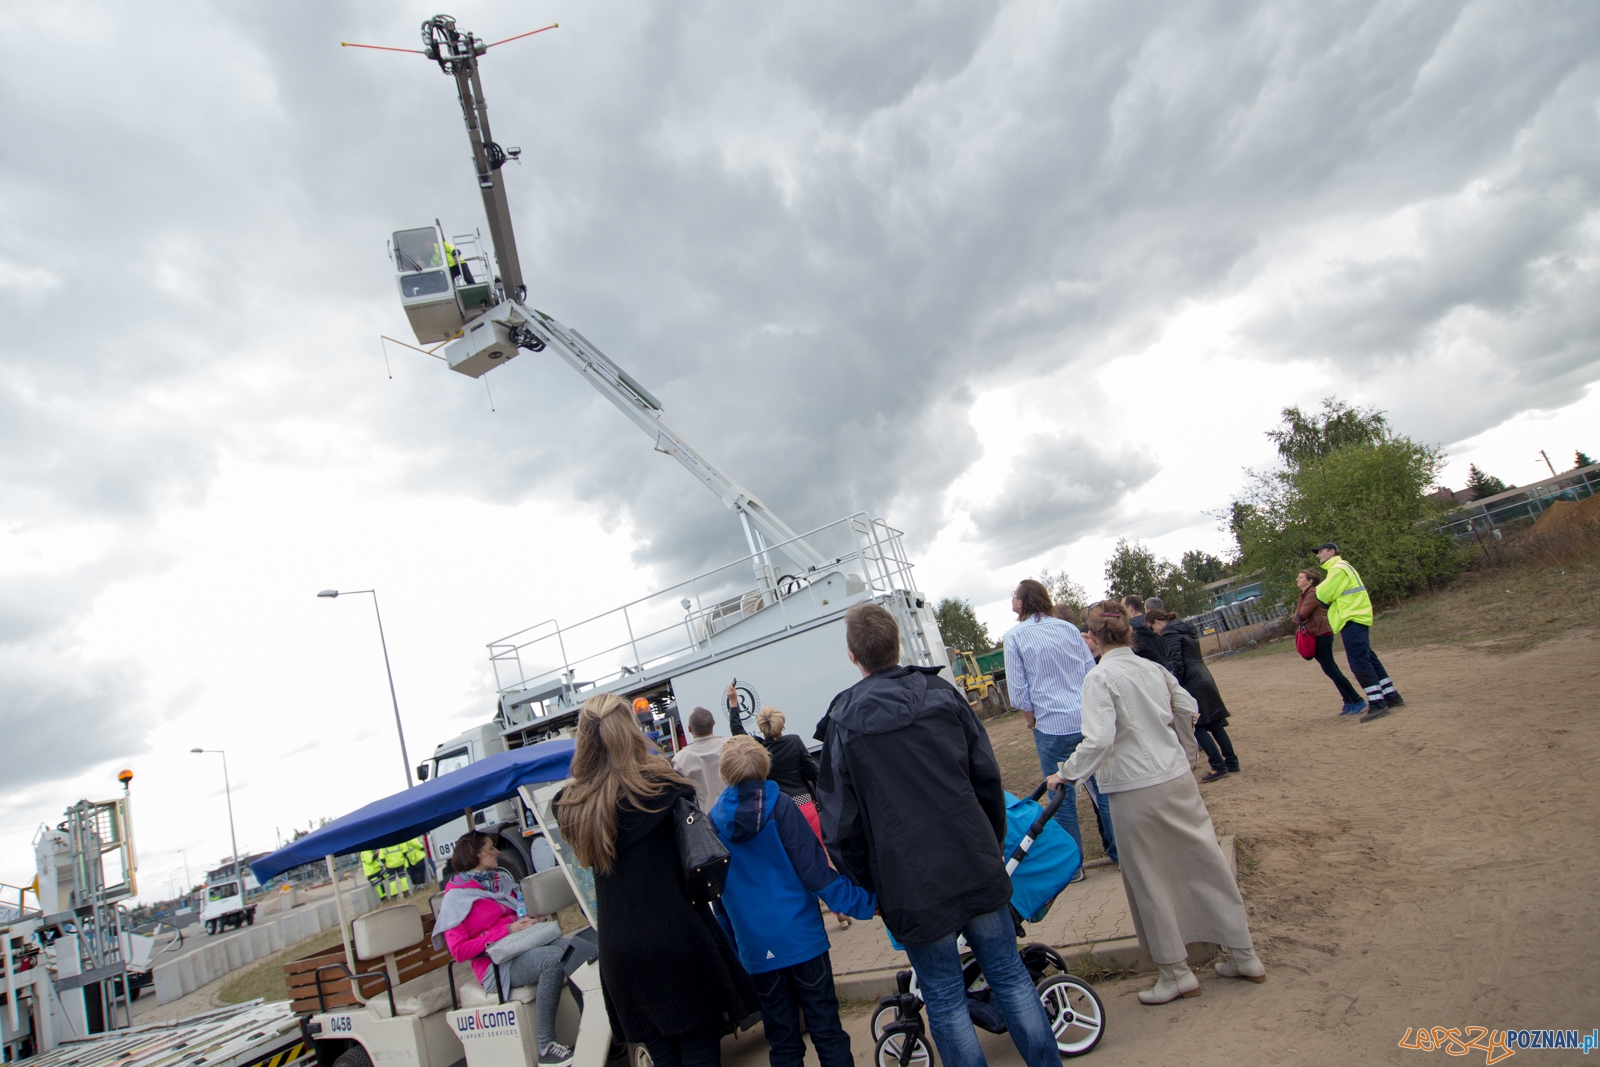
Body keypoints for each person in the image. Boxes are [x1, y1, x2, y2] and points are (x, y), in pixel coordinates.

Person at [816, 603, 1060, 1067]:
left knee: (948, 998)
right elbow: (987, 779)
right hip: (969, 862)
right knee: (1008, 976)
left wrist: (873, 885)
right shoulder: (936, 697)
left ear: (853, 656)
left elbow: (839, 829)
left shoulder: (850, 722)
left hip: (913, 883)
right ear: (897, 645)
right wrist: (988, 844)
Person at [1048, 602, 1265, 1005]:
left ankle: (1175, 972)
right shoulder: (1153, 668)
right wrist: (1184, 752)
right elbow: (1188, 709)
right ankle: (1243, 953)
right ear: (1130, 632)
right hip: (1176, 778)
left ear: (1092, 639)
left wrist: (1065, 773)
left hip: (1134, 789)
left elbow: (1098, 740)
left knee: (1149, 878)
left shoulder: (1099, 678)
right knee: (1206, 861)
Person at [555, 694, 758, 1067]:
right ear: (630, 731)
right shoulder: (663, 786)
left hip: (621, 952)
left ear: (584, 740)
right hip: (679, 938)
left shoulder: (571, 807)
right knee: (701, 1053)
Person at [710, 737, 876, 1067]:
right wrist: (867, 903)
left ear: (725, 771)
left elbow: (720, 897)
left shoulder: (712, 821)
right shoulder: (781, 805)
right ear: (763, 764)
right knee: (826, 1030)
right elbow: (815, 873)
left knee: (782, 1041)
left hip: (757, 949)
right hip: (803, 939)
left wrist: (736, 947)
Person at [434, 832, 572, 1065]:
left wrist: (528, 921)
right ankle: (546, 1046)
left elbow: (517, 914)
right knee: (553, 958)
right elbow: (459, 952)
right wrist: (506, 931)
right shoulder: (455, 899)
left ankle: (590, 1023)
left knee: (573, 948)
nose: (497, 852)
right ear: (475, 855)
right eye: (490, 849)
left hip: (520, 949)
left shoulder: (498, 882)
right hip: (495, 966)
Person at [1004, 579, 1114, 871]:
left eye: (1014, 595)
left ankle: (1072, 868)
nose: (1012, 600)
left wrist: (1031, 722)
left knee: (1060, 799)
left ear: (1021, 603)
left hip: (1050, 726)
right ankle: (1121, 853)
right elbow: (1090, 671)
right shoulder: (1068, 629)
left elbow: (1017, 691)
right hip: (1084, 720)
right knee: (1102, 789)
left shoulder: (1014, 636)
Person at [1314, 543, 1405, 723]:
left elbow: (1322, 594)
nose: (1318, 556)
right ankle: (1391, 696)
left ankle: (1377, 703)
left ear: (1331, 552)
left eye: (1320, 552)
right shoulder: (1342, 568)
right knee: (1368, 658)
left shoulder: (1338, 569)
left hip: (1351, 618)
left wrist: (1322, 596)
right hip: (1356, 617)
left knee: (1359, 662)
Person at [1149, 610, 1240, 781]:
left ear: (1157, 622)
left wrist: (1177, 685)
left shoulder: (1170, 633)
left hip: (1192, 681)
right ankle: (1231, 761)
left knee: (1196, 724)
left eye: (1152, 627)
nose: (1154, 632)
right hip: (1204, 675)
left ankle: (1217, 765)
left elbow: (1177, 660)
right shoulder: (1184, 628)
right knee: (1214, 723)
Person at [725, 688, 821, 837]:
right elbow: (811, 771)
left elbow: (737, 730)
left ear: (761, 727)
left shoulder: (759, 748)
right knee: (818, 850)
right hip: (804, 804)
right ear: (781, 724)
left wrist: (733, 701)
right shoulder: (794, 741)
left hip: (777, 808)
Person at [1295, 568, 1366, 715]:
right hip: (1316, 632)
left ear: (1310, 580)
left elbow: (1301, 614)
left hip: (1321, 632)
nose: (1297, 579)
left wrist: (1297, 617)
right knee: (1329, 669)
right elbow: (1300, 615)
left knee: (1331, 669)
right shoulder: (1305, 595)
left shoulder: (1313, 593)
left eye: (1301, 577)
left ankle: (1356, 699)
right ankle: (1348, 700)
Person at [672, 707, 728, 813]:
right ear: (714, 722)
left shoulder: (679, 760)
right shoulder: (731, 746)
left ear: (689, 729)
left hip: (704, 822)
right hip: (735, 814)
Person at [1121, 595, 1171, 670]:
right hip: (1164, 669)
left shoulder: (1128, 629)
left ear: (1130, 608)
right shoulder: (1156, 623)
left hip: (1144, 672)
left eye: (1122, 608)